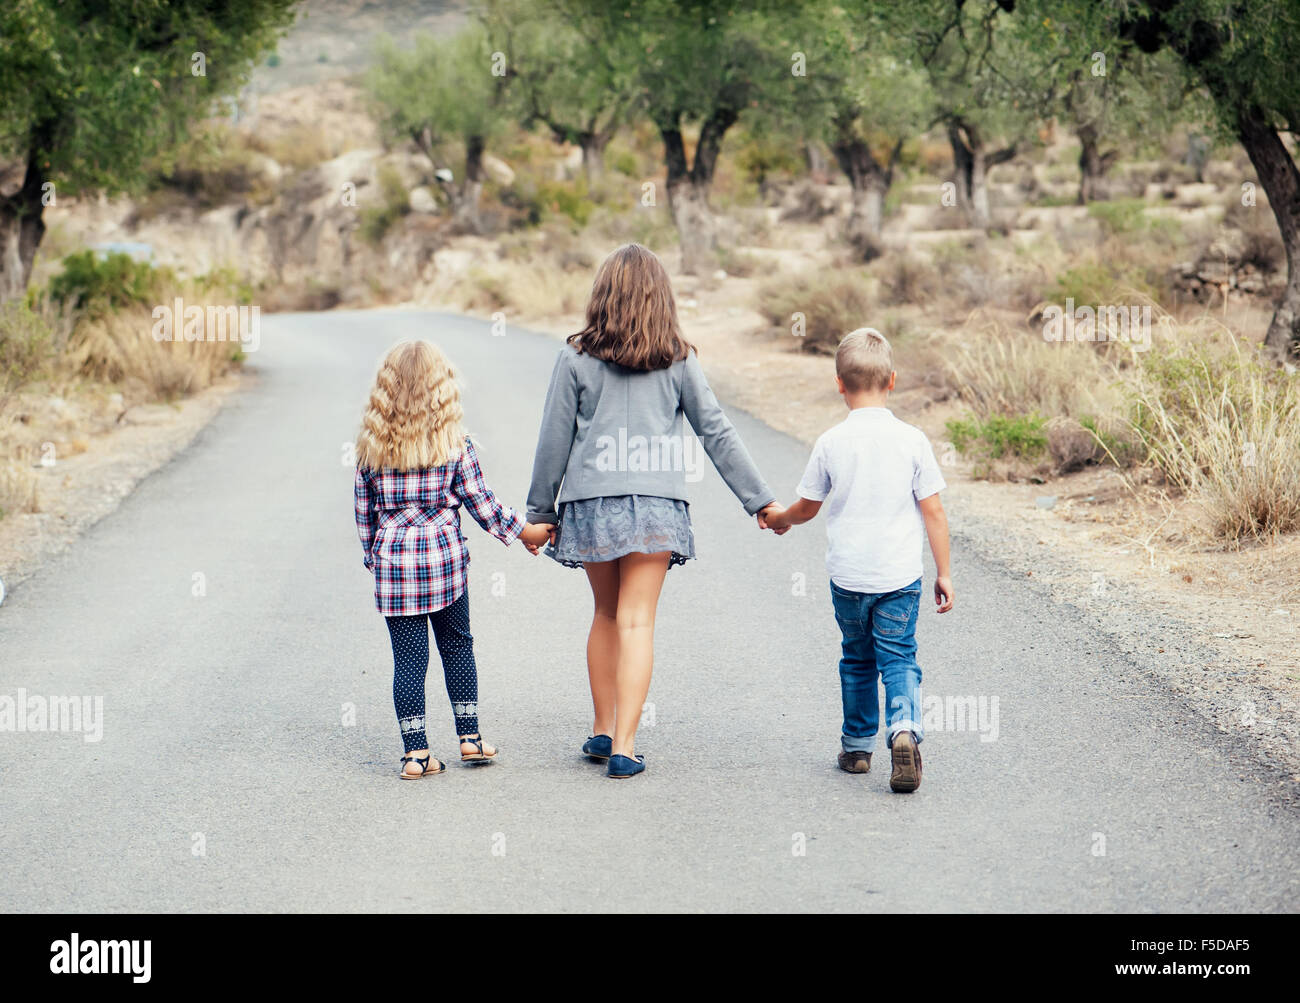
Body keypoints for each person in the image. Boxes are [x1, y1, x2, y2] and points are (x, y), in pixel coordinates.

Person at [527, 243, 778, 779]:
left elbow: (553, 437)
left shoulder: (574, 359)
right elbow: (717, 431)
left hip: (592, 503)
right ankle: (624, 744)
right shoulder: (679, 359)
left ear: (601, 297)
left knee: (605, 614)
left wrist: (539, 512)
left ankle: (601, 727)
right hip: (656, 508)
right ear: (660, 298)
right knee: (638, 621)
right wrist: (760, 500)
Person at [761, 328, 954, 793]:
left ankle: (857, 748)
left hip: (849, 578)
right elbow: (934, 511)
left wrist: (781, 518)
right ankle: (903, 728)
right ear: (892, 381)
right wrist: (944, 572)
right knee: (899, 657)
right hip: (899, 577)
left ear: (838, 384)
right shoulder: (912, 439)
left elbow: (807, 507)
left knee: (857, 658)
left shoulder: (831, 441)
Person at [354, 340, 553, 779]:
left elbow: (364, 515)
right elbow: (482, 503)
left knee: (408, 660)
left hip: (395, 568)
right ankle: (470, 738)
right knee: (457, 645)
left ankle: (416, 754)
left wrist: (376, 560)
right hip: (445, 564)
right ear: (441, 389)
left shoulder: (371, 449)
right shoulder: (454, 445)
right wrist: (524, 532)